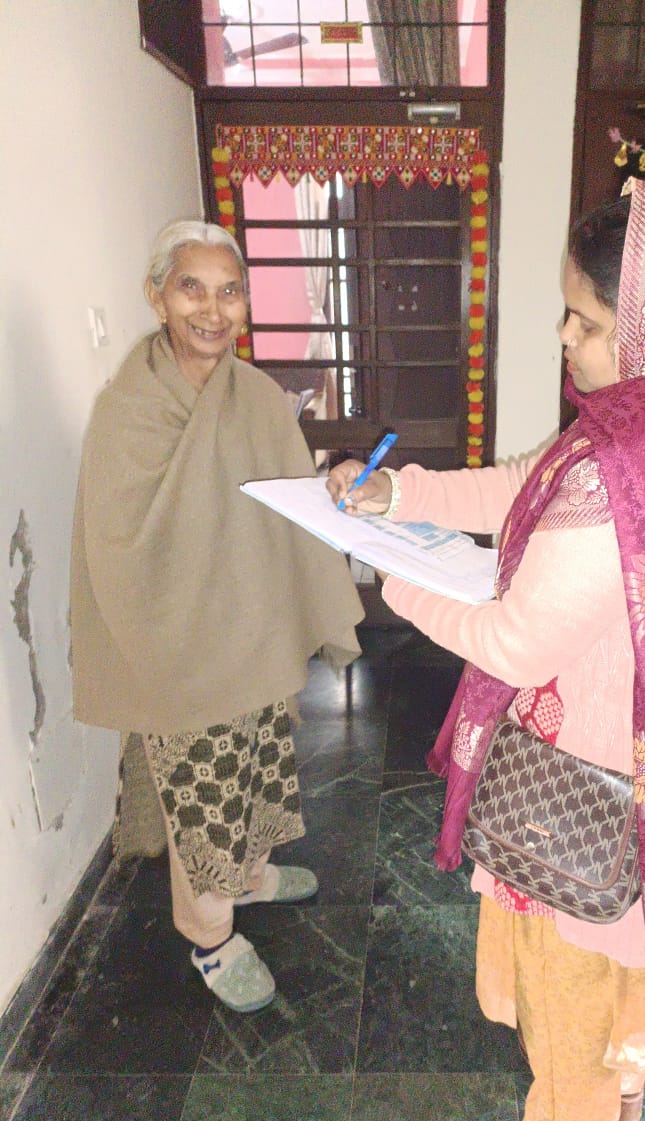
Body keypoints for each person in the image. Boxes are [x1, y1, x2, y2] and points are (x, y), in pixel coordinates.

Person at [326, 178, 645, 1121]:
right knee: (614, 1008)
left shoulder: (628, 474)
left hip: (583, 803)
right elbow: (525, 483)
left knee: (568, 1035)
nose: (564, 338)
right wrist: (400, 496)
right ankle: (609, 1104)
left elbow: (512, 642)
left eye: (588, 321)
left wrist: (390, 577)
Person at [71, 220, 364, 1014]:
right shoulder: (128, 411)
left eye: (229, 290)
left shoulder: (257, 396)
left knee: (261, 766)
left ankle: (253, 875)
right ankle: (209, 937)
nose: (212, 309)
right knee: (202, 795)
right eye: (191, 288)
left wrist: (332, 489)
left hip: (250, 630)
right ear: (157, 297)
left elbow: (283, 500)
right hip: (176, 645)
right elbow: (118, 544)